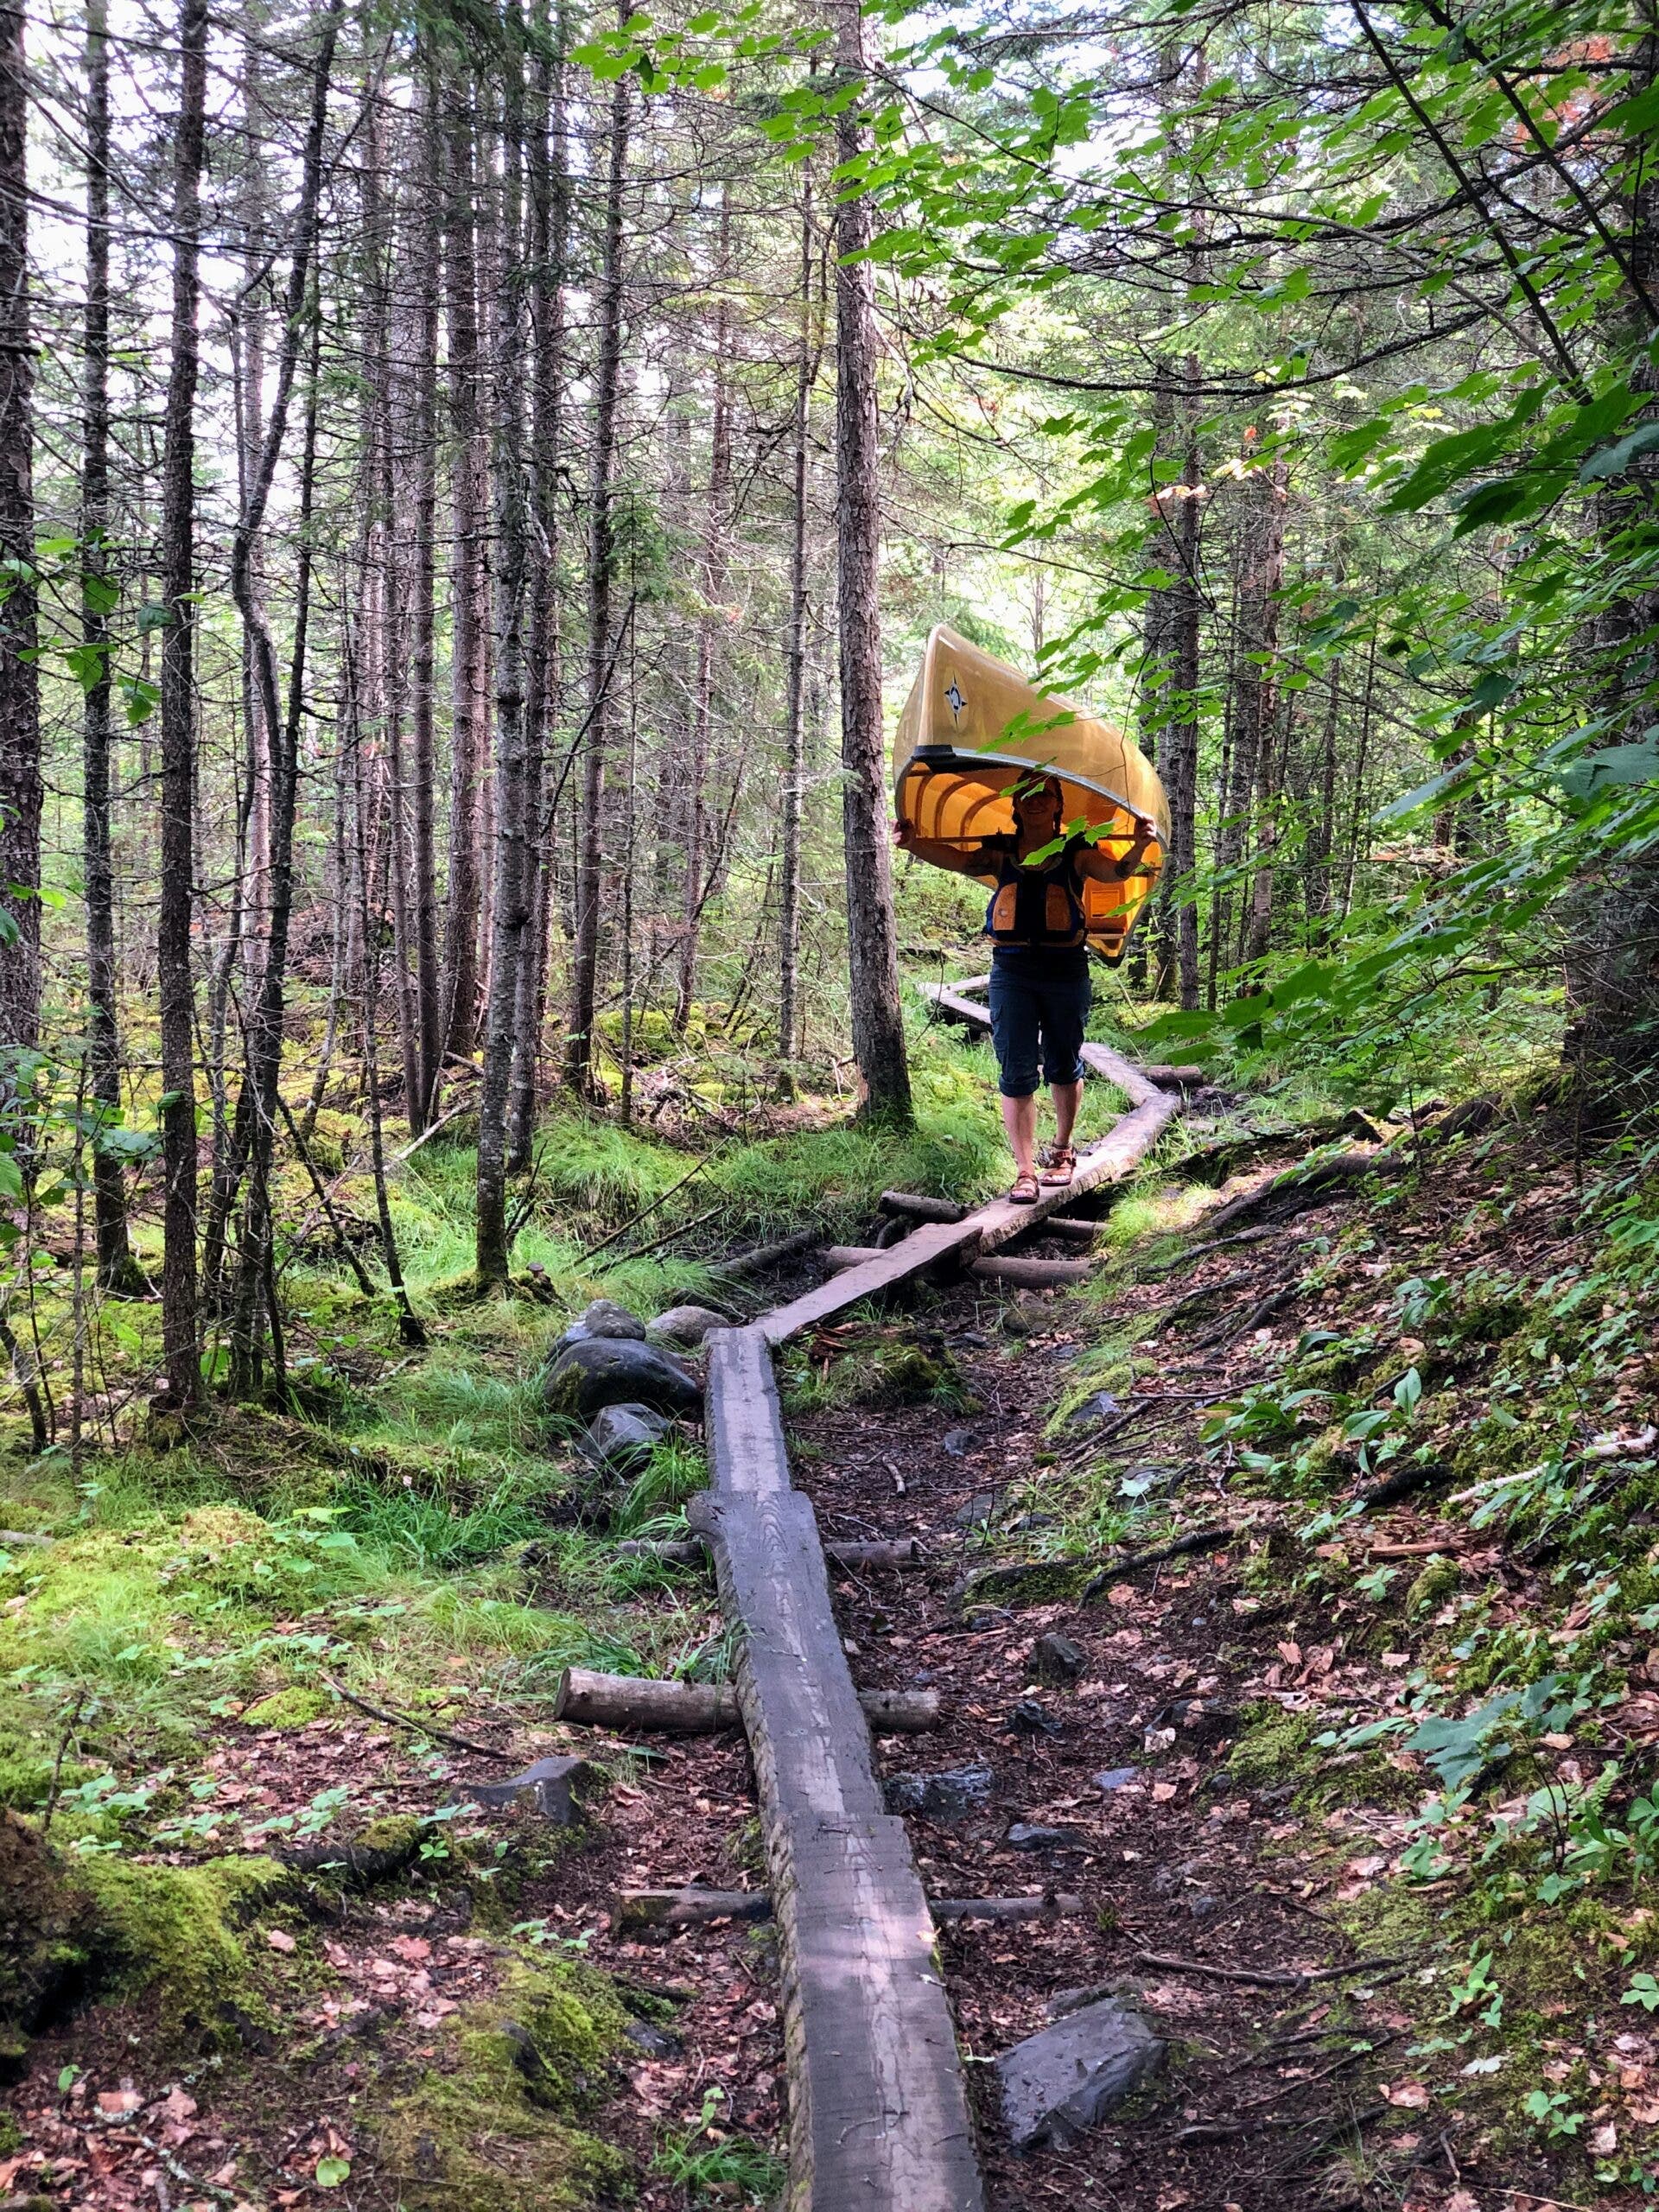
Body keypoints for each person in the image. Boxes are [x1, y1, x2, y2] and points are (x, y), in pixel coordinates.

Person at [895, 773, 1157, 1201]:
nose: (1035, 801)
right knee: (1015, 1070)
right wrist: (912, 843)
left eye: (1045, 795)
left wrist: (1141, 845)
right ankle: (1024, 1171)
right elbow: (958, 861)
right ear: (1016, 804)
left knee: (1063, 1061)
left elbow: (1116, 872)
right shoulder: (1001, 852)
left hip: (1065, 970)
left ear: (1058, 805)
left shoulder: (1076, 852)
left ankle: (1063, 1151)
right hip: (1012, 971)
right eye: (1027, 795)